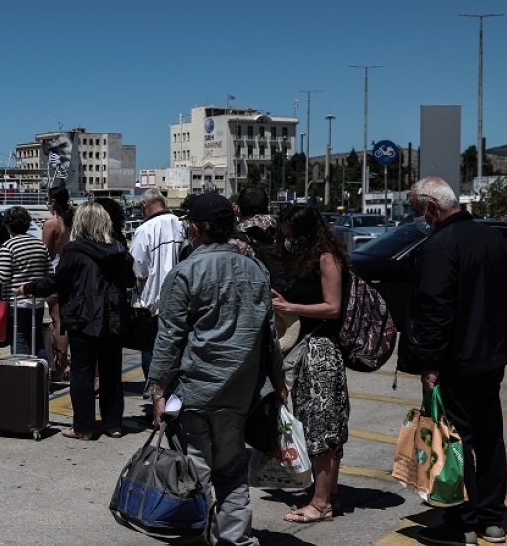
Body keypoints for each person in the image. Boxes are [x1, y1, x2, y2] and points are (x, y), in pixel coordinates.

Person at [148, 192, 283, 546]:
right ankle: (236, 540)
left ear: (195, 229)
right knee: (232, 471)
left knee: (195, 472)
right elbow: (269, 335)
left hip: (195, 390)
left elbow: (169, 339)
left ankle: (198, 535)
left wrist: (158, 390)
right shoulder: (256, 270)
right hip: (239, 393)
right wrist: (279, 383)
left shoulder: (185, 272)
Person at [404, 177, 507, 546]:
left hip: (456, 359)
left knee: (454, 439)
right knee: (490, 436)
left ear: (432, 208)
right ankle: (492, 519)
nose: (419, 219)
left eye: (418, 211)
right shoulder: (493, 238)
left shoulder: (441, 245)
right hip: (491, 356)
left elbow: (436, 311)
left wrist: (429, 364)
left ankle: (461, 524)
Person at [19, 202, 134, 440]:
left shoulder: (74, 251)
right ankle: (113, 424)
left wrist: (29, 287)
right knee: (111, 372)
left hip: (84, 317)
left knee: (82, 372)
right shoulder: (119, 249)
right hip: (114, 317)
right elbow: (130, 280)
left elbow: (56, 282)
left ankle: (83, 427)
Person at [271, 204, 349, 524]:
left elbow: (332, 307)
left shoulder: (326, 258)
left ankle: (320, 504)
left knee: (321, 428)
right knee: (320, 425)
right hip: (308, 350)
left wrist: (290, 306)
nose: (287, 240)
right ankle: (329, 495)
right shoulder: (303, 259)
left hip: (321, 351)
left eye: (292, 235)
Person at [130, 188, 184, 386]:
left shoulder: (144, 230)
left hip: (151, 302)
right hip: (180, 299)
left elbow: (137, 269)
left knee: (151, 351)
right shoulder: (181, 225)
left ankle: (153, 393)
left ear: (145, 206)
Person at [0, 206, 49, 359]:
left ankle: (20, 371)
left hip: (17, 301)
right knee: (37, 340)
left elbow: (3, 277)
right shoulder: (40, 245)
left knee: (18, 338)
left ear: (8, 226)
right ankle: (43, 371)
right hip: (37, 301)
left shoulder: (8, 246)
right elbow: (48, 274)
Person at [42, 185, 73, 378]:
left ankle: (61, 364)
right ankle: (65, 361)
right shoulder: (73, 220)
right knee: (66, 318)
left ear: (52, 201)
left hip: (55, 270)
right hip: (72, 269)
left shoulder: (51, 224)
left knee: (57, 320)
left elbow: (45, 252)